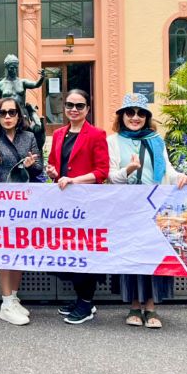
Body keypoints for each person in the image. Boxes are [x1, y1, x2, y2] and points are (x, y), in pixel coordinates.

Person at [107, 93, 187, 329]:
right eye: (130, 113)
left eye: (140, 113)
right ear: (122, 116)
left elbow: (167, 170)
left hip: (155, 207)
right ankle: (133, 305)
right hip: (127, 208)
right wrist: (129, 170)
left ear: (147, 117)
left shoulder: (156, 140)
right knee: (132, 256)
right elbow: (111, 177)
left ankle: (151, 307)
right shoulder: (113, 141)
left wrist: (178, 177)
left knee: (153, 255)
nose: (135, 117)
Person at [45, 88, 110, 324]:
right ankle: (81, 299)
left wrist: (74, 180)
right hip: (65, 204)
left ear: (87, 109)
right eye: (70, 105)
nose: (74, 109)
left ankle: (86, 302)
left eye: (79, 106)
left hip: (88, 202)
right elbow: (55, 166)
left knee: (84, 253)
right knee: (69, 253)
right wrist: (53, 172)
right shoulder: (60, 133)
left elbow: (102, 172)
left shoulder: (97, 134)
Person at [0, 98, 43, 325]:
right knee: (4, 251)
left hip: (25, 202)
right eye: (2, 113)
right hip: (1, 203)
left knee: (20, 249)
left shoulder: (28, 137)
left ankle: (15, 297)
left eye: (12, 112)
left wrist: (30, 165)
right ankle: (5, 301)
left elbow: (38, 166)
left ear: (19, 116)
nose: (7, 116)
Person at [0, 54, 47, 150]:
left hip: (23, 115)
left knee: (35, 131)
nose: (14, 70)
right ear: (7, 67)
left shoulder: (22, 82)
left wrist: (42, 78)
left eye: (16, 68)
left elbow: (36, 84)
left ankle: (37, 151)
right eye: (12, 68)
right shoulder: (0, 85)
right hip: (8, 115)